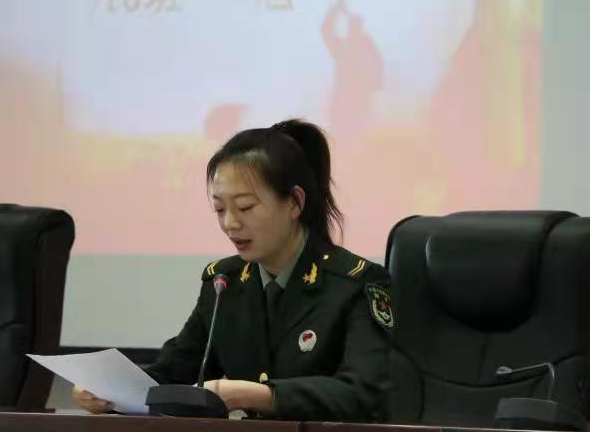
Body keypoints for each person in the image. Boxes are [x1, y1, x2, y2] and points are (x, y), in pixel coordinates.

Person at [73, 119, 393, 421]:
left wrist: (259, 396)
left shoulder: (356, 284)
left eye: (245, 207)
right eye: (219, 209)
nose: (230, 224)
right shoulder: (224, 283)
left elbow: (365, 393)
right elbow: (175, 371)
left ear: (294, 202)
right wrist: (108, 390)